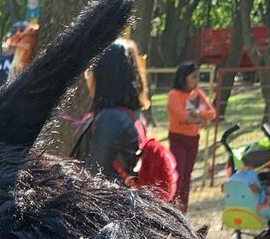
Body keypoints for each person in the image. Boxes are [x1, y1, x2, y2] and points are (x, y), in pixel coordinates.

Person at [73, 38, 150, 184]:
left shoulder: (111, 119)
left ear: (104, 74)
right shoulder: (130, 116)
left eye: (91, 69)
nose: (88, 75)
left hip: (104, 197)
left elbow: (93, 177)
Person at [166, 61, 217, 213]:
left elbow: (211, 113)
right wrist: (200, 118)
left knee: (187, 176)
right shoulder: (174, 95)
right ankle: (172, 208)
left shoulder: (197, 94)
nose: (197, 80)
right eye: (193, 77)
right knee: (178, 175)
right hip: (178, 139)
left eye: (197, 77)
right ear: (183, 78)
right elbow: (183, 117)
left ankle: (183, 210)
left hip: (193, 139)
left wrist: (197, 115)